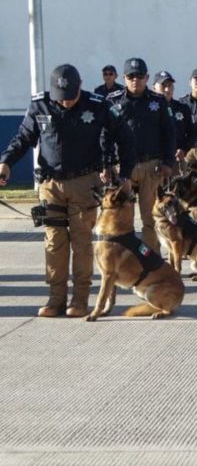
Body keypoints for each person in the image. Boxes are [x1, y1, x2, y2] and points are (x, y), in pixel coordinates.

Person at [0, 64, 136, 317]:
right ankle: (55, 299)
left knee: (81, 243)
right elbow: (23, 138)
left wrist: (125, 175)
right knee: (54, 242)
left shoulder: (98, 105)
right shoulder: (40, 105)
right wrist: (6, 162)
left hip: (85, 183)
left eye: (71, 97)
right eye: (61, 98)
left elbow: (125, 138)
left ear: (80, 85)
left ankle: (80, 300)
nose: (65, 102)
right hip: (50, 185)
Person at [105, 58, 176, 252]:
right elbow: (105, 135)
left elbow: (169, 133)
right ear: (124, 78)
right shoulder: (113, 101)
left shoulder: (158, 101)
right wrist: (106, 164)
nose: (135, 80)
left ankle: (150, 260)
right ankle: (126, 259)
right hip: (123, 169)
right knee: (121, 218)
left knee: (150, 218)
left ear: (147, 77)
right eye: (131, 76)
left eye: (139, 76)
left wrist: (168, 162)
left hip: (150, 166)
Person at [152, 70, 192, 167]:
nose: (167, 89)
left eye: (170, 85)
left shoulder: (182, 108)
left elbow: (193, 133)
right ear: (154, 88)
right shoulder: (148, 108)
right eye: (163, 86)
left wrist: (183, 149)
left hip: (175, 160)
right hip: (153, 161)